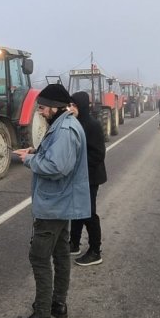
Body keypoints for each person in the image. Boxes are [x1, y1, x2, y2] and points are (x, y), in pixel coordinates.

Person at [10, 83, 90, 318]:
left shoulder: (65, 129)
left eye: (43, 107)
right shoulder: (62, 125)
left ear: (55, 107)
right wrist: (35, 151)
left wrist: (29, 160)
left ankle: (42, 316)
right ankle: (58, 304)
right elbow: (57, 155)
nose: (41, 112)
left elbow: (57, 167)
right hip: (61, 202)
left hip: (54, 205)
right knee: (60, 252)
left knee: (39, 257)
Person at [68, 91, 106, 266]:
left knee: (89, 213)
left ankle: (95, 251)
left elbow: (98, 154)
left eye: (74, 105)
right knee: (76, 211)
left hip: (90, 176)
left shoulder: (92, 125)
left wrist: (77, 165)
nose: (70, 108)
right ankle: (74, 244)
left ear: (82, 106)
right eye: (70, 105)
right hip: (78, 176)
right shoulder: (75, 123)